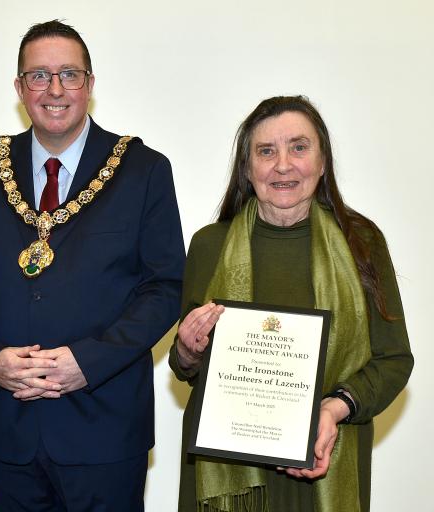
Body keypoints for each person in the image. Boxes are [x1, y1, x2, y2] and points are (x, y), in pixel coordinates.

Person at [0, 20, 184, 511]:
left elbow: (165, 287)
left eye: (70, 75)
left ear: (90, 85)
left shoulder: (143, 170)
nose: (55, 89)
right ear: (19, 88)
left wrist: (85, 363)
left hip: (106, 429)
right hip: (7, 430)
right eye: (39, 76)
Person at [169, 95, 413, 511]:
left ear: (322, 161)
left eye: (299, 147)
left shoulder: (362, 244)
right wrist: (186, 348)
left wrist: (333, 410)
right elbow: (185, 368)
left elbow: (393, 360)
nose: (283, 165)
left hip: (324, 464)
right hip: (225, 474)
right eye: (266, 151)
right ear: (248, 168)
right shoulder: (209, 245)